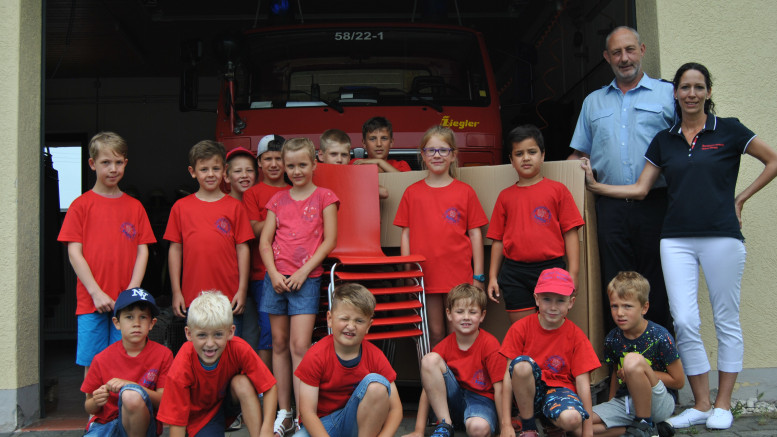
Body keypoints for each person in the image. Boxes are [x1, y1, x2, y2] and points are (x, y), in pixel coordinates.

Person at [581, 62, 777, 431]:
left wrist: (741, 200)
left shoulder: (729, 129)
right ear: (674, 94)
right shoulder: (665, 139)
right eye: (684, 87)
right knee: (685, 320)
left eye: (698, 87)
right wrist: (595, 187)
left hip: (722, 236)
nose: (691, 93)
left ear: (708, 92)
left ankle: (723, 403)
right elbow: (641, 189)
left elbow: (773, 160)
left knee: (726, 320)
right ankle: (701, 403)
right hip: (675, 239)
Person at [567, 26, 675, 331]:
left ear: (642, 50)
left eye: (629, 50)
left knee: (658, 284)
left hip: (658, 203)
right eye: (616, 52)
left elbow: (688, 148)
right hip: (610, 207)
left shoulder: (668, 95)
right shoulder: (593, 103)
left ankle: (657, 367)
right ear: (606, 57)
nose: (624, 58)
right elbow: (578, 156)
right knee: (616, 285)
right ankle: (621, 366)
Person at [259, 138, 339, 436]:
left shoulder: (325, 197)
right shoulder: (277, 200)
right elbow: (265, 241)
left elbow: (329, 241)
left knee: (299, 346)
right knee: (278, 344)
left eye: (302, 164)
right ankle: (285, 411)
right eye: (290, 165)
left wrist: (304, 272)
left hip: (307, 279)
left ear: (314, 163)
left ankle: (306, 411)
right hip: (276, 281)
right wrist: (274, 274)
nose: (296, 170)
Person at [58, 131, 156, 374]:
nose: (113, 169)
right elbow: (74, 254)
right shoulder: (80, 205)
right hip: (91, 302)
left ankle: (120, 412)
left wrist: (131, 292)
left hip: (127, 305)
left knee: (126, 361)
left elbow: (142, 251)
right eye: (106, 162)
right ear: (92, 164)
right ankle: (95, 413)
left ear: (125, 163)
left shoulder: (135, 206)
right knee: (94, 365)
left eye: (118, 162)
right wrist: (96, 293)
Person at [393, 125, 488, 348]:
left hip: (459, 275)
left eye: (443, 150)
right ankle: (439, 380)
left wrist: (479, 276)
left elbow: (475, 234)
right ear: (422, 154)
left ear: (453, 154)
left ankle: (461, 380)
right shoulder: (412, 193)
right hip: (425, 274)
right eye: (431, 150)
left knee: (459, 331)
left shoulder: (465, 191)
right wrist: (408, 272)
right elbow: (406, 234)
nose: (437, 155)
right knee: (434, 332)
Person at [488, 125, 584, 324]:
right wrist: (492, 277)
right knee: (523, 329)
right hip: (514, 272)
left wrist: (573, 273)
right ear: (511, 160)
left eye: (532, 152)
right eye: (519, 153)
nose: (526, 158)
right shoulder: (505, 196)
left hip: (552, 269)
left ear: (542, 155)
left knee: (551, 328)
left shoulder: (558, 190)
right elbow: (497, 239)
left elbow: (570, 233)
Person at [157, 291, 278, 437]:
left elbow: (270, 387)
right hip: (198, 418)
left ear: (231, 332)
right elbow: (176, 422)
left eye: (218, 334)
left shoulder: (240, 348)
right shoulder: (183, 363)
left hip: (225, 404)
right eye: (202, 335)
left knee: (242, 382)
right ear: (189, 334)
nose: (210, 343)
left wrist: (267, 429)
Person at [163, 140, 254, 332]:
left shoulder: (235, 207)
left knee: (229, 350)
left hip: (229, 297)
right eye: (204, 169)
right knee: (199, 350)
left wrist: (242, 290)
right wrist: (176, 292)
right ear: (192, 171)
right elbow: (175, 249)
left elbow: (243, 249)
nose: (210, 174)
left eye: (215, 168)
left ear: (225, 170)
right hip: (192, 298)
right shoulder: (180, 208)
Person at [499, 268, 600, 437]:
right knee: (522, 365)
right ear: (536, 299)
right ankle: (529, 428)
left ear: (571, 302)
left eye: (560, 300)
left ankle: (552, 424)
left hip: (559, 392)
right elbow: (508, 378)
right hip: (528, 397)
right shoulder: (520, 328)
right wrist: (505, 424)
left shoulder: (576, 336)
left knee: (573, 419)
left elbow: (583, 385)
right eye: (547, 299)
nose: (553, 307)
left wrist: (587, 432)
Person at [294, 283, 403, 437]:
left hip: (360, 427)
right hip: (324, 426)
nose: (351, 326)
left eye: (359, 321)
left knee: (377, 385)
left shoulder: (375, 356)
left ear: (368, 326)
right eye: (344, 318)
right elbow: (307, 412)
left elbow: (396, 409)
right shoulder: (316, 355)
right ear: (330, 319)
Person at [403, 284, 506, 437]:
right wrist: (418, 430)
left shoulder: (490, 344)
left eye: (472, 312)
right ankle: (446, 425)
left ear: (482, 315)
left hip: (481, 401)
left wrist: (505, 427)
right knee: (430, 360)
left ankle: (474, 422)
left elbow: (500, 388)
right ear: (449, 314)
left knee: (477, 429)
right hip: (452, 403)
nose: (466, 317)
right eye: (459, 312)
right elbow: (428, 389)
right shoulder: (443, 346)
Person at [591, 272, 684, 437]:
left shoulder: (659, 336)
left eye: (627, 306)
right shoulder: (612, 339)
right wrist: (612, 402)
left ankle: (644, 423)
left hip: (658, 402)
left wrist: (638, 373)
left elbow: (678, 381)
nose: (620, 313)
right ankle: (647, 431)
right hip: (626, 402)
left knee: (632, 361)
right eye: (614, 306)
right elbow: (615, 374)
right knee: (578, 424)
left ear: (644, 307)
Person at [82, 288, 173, 437]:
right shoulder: (101, 358)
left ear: (152, 323)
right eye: (129, 317)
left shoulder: (163, 355)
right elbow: (89, 406)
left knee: (131, 395)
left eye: (143, 317)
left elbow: (165, 401)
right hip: (106, 425)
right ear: (117, 323)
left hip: (143, 427)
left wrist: (134, 387)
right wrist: (97, 401)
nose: (136, 323)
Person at [243, 134, 289, 370]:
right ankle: (264, 391)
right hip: (263, 275)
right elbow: (254, 231)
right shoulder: (252, 194)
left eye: (279, 158)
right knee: (268, 332)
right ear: (259, 162)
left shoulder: (295, 189)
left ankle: (287, 394)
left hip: (294, 273)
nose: (273, 164)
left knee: (290, 336)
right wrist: (280, 217)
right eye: (267, 158)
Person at [223, 147, 262, 352]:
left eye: (249, 170)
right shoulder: (221, 204)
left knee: (254, 335)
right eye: (238, 171)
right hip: (230, 283)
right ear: (226, 175)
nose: (244, 176)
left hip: (259, 279)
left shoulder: (260, 202)